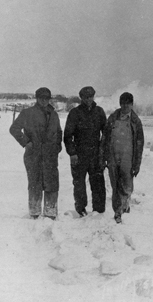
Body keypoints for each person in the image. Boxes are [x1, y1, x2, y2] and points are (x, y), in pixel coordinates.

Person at [9, 87, 63, 219]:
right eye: (41, 98)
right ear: (37, 98)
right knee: (35, 183)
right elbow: (14, 128)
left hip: (50, 155)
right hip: (34, 154)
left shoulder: (54, 114)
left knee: (51, 182)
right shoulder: (28, 113)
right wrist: (26, 142)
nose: (44, 101)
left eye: (46, 98)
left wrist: (57, 147)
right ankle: (34, 212)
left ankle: (50, 212)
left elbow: (59, 132)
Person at [63, 86, 107, 217]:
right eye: (86, 97)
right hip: (79, 154)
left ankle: (98, 211)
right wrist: (72, 153)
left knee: (98, 182)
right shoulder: (75, 113)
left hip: (95, 154)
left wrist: (103, 153)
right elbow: (67, 135)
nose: (88, 99)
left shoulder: (99, 112)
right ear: (81, 98)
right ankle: (81, 210)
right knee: (79, 184)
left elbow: (105, 134)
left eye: (91, 96)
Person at [101, 92, 144, 224]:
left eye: (128, 103)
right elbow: (105, 139)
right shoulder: (113, 118)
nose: (125, 106)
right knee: (115, 186)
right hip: (113, 156)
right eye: (123, 103)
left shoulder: (135, 121)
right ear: (120, 104)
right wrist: (103, 158)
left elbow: (139, 144)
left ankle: (124, 209)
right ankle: (117, 211)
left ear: (132, 104)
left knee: (126, 185)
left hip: (128, 157)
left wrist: (136, 164)